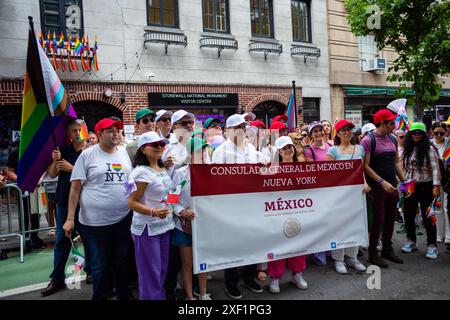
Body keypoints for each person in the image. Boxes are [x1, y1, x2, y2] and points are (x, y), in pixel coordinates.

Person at [63, 118, 133, 300]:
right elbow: (76, 188)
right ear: (100, 134)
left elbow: (128, 183)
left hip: (123, 218)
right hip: (95, 223)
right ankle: (101, 296)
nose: (116, 133)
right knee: (100, 264)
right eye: (111, 130)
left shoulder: (124, 153)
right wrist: (70, 218)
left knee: (121, 261)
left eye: (117, 129)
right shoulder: (87, 155)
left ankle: (124, 295)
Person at [212, 114, 263, 299]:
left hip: (251, 204)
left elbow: (264, 167)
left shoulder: (250, 148)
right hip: (231, 206)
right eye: (240, 126)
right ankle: (230, 281)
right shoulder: (221, 152)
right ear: (230, 129)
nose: (243, 129)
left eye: (244, 126)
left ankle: (249, 276)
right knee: (232, 245)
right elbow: (216, 180)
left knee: (251, 241)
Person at [41, 119, 92, 296]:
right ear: (68, 134)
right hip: (64, 200)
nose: (77, 133)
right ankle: (57, 279)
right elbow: (52, 173)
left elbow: (92, 176)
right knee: (61, 241)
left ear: (84, 130)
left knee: (89, 238)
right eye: (73, 131)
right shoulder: (63, 150)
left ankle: (91, 271)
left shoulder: (92, 151)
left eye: (79, 130)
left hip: (87, 202)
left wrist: (72, 169)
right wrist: (55, 160)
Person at [127, 131, 175, 300]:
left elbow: (167, 195)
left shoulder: (161, 168)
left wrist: (174, 204)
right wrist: (153, 212)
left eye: (162, 144)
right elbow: (131, 202)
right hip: (147, 229)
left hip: (165, 226)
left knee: (161, 270)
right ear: (143, 149)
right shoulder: (140, 172)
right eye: (155, 145)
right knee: (150, 273)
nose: (160, 147)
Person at [360, 109, 406, 268]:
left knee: (390, 219)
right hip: (377, 188)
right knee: (378, 220)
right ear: (382, 123)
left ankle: (387, 249)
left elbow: (396, 162)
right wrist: (381, 182)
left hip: (392, 186)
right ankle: (373, 254)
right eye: (391, 123)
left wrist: (403, 180)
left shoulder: (393, 139)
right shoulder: (368, 140)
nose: (394, 125)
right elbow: (364, 166)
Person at [266, 136, 308, 293]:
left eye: (290, 147)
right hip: (278, 212)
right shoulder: (272, 169)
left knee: (299, 242)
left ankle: (297, 273)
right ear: (278, 152)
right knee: (278, 244)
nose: (288, 150)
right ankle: (275, 277)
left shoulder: (301, 167)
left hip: (298, 211)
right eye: (284, 148)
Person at [326, 120, 369, 273]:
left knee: (356, 224)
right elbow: (328, 175)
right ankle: (338, 258)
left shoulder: (359, 149)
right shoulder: (333, 151)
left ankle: (353, 256)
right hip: (340, 195)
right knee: (340, 225)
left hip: (356, 192)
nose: (347, 133)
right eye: (343, 130)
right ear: (337, 134)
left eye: (349, 130)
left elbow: (361, 170)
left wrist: (364, 183)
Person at [172, 137, 212, 300]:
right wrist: (181, 211)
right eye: (198, 151)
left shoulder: (212, 173)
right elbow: (171, 200)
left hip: (205, 226)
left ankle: (203, 293)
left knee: (203, 262)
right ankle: (190, 297)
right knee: (187, 263)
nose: (202, 154)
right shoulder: (180, 174)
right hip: (184, 226)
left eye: (203, 150)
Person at [401, 122, 441, 259]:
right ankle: (411, 241)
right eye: (413, 132)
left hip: (426, 186)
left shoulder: (429, 148)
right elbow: (404, 168)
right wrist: (403, 184)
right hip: (410, 186)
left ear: (423, 135)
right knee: (408, 215)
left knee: (428, 217)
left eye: (419, 132)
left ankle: (432, 245)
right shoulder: (407, 148)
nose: (416, 135)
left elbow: (436, 168)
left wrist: (436, 186)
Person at [7, 139, 45, 250]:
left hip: (35, 187)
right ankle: (25, 238)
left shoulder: (36, 151)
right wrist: (22, 180)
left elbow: (43, 168)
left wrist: (39, 178)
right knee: (23, 213)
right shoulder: (15, 153)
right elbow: (9, 171)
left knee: (36, 212)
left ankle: (34, 236)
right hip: (21, 188)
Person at [304, 121, 331, 265]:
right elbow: (311, 171)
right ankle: (317, 252)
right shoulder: (309, 150)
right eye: (315, 131)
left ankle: (329, 250)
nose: (319, 133)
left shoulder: (331, 147)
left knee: (329, 221)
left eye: (320, 130)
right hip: (318, 191)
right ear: (311, 134)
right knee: (318, 222)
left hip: (331, 190)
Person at [431, 122, 450, 246]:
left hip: (448, 182)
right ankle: (439, 235)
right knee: (437, 208)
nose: (438, 135)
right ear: (432, 132)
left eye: (441, 133)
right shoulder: (429, 144)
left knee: (447, 208)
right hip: (435, 182)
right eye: (436, 132)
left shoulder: (448, 143)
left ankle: (448, 236)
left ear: (446, 132)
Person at [162, 110, 194, 178]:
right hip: (173, 186)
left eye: (190, 122)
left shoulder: (197, 144)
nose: (188, 125)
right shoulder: (166, 145)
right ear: (173, 127)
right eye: (184, 123)